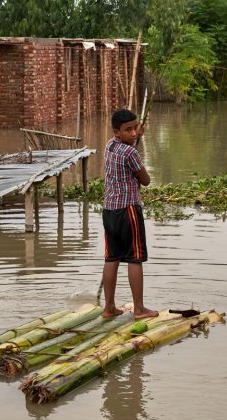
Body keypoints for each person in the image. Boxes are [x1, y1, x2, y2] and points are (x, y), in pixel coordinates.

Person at [101, 109, 158, 320]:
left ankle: (108, 307)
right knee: (135, 259)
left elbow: (127, 148)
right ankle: (140, 309)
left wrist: (136, 139)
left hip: (109, 210)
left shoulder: (110, 146)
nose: (134, 133)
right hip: (129, 211)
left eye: (136, 128)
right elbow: (146, 180)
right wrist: (136, 145)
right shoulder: (131, 154)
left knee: (112, 257)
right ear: (117, 131)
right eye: (129, 130)